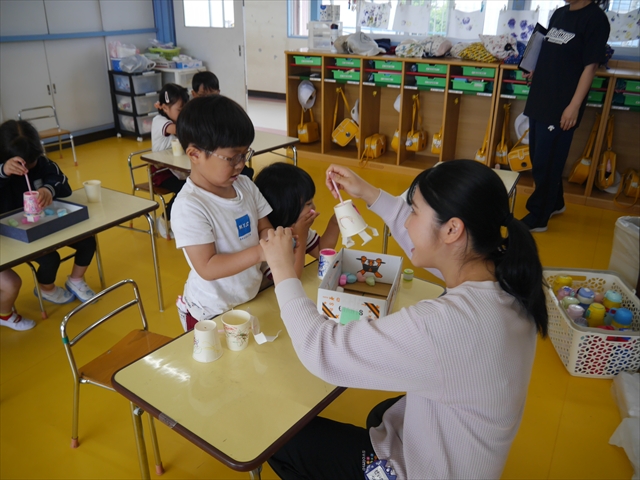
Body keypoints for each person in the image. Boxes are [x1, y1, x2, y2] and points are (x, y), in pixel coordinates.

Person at [260, 160, 549, 480]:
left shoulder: (444, 325)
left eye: (414, 211)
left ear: (452, 229)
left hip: (417, 472)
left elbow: (323, 351)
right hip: (462, 455)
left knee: (279, 440)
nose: (407, 222)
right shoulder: (506, 276)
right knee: (383, 414)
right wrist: (369, 193)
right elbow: (427, 243)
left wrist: (283, 272)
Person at [172, 95, 273, 332]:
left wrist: (273, 240)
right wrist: (261, 252)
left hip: (247, 298)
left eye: (244, 154)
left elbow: (263, 226)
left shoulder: (245, 186)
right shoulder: (189, 206)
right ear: (195, 154)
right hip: (210, 312)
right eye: (232, 157)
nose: (241, 164)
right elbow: (207, 267)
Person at [521, 0, 610, 232]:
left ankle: (539, 216)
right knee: (539, 157)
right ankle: (555, 203)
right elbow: (552, 53)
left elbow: (590, 67)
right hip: (541, 97)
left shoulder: (595, 19)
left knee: (546, 162)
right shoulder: (559, 14)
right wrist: (534, 68)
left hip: (562, 105)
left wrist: (574, 106)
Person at [0, 120, 97, 324]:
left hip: (45, 224)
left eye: (34, 161)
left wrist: (48, 189)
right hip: (13, 235)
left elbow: (61, 181)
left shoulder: (42, 163)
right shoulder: (4, 170)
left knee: (88, 241)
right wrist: (2, 172)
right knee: (49, 258)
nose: (30, 168)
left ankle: (76, 280)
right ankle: (46, 289)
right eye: (24, 164)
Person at [254, 162, 339, 282]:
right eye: (308, 204)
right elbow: (293, 277)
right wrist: (301, 235)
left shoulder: (296, 227)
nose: (314, 207)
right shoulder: (270, 239)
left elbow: (322, 251)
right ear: (286, 209)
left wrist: (335, 222)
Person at [190, 71, 254, 180]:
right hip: (209, 164)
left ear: (218, 92)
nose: (208, 100)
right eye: (203, 96)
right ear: (194, 94)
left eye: (212, 95)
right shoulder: (192, 116)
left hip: (229, 161)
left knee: (246, 173)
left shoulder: (224, 113)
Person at [151, 83, 190, 239]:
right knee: (186, 188)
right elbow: (178, 130)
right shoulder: (159, 120)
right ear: (165, 108)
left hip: (178, 168)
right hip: (162, 173)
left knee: (197, 184)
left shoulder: (172, 118)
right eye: (180, 110)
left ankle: (182, 219)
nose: (183, 113)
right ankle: (164, 218)